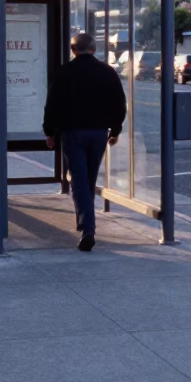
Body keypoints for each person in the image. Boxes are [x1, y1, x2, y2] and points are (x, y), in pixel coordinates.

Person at [42, 33, 127, 252]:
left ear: (73, 50)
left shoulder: (64, 72)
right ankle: (83, 220)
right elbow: (119, 103)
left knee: (78, 179)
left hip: (73, 133)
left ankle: (88, 228)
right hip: (99, 134)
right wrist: (115, 130)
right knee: (88, 179)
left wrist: (49, 132)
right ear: (94, 48)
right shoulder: (108, 72)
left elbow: (52, 104)